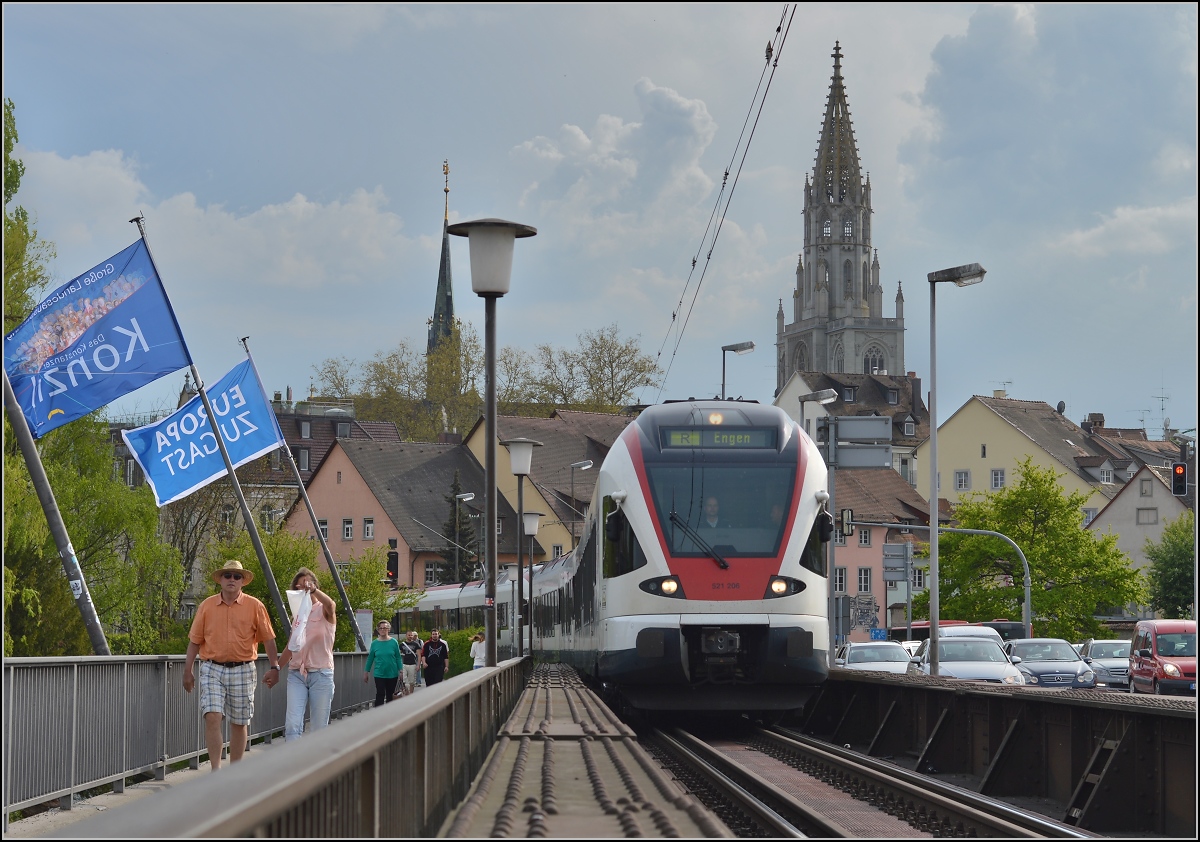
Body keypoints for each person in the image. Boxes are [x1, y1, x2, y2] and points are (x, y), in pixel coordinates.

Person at [183, 560, 280, 771]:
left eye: (237, 576)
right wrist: (187, 670)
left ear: (243, 581)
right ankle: (216, 771)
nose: (232, 580)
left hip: (243, 669)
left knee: (239, 722)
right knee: (212, 716)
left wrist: (275, 667)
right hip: (212, 667)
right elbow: (194, 640)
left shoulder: (255, 606)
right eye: (227, 575)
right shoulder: (206, 606)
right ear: (221, 579)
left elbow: (269, 639)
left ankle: (233, 772)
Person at [275, 567, 337, 742]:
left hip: (321, 673)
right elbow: (291, 646)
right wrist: (277, 668)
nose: (304, 589)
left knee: (319, 727)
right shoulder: (297, 617)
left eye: (308, 585)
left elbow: (331, 605)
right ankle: (294, 764)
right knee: (293, 724)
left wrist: (313, 590)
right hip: (297, 674)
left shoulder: (324, 610)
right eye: (299, 587)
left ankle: (316, 765)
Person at [363, 620, 402, 706]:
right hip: (379, 673)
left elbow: (398, 657)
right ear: (378, 630)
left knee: (390, 695)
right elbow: (370, 658)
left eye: (384, 628)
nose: (382, 630)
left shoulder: (393, 642)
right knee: (380, 694)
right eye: (380, 628)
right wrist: (366, 671)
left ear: (388, 629)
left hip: (392, 673)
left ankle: (389, 715)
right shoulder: (374, 643)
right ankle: (378, 715)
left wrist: (401, 670)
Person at [400, 631, 422, 695]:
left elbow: (419, 655)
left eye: (411, 635)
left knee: (412, 681)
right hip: (404, 664)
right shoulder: (402, 645)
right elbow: (398, 655)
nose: (410, 636)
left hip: (412, 664)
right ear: (406, 636)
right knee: (404, 680)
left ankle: (411, 694)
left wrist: (418, 665)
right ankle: (407, 693)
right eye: (409, 635)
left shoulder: (416, 644)